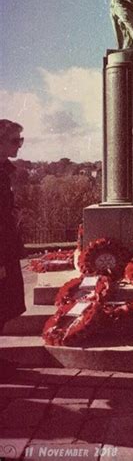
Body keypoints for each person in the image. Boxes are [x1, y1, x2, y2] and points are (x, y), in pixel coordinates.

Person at [0, 119, 27, 378]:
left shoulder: (5, 170)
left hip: (6, 248)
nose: (19, 145)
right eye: (14, 140)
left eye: (21, 140)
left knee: (5, 303)